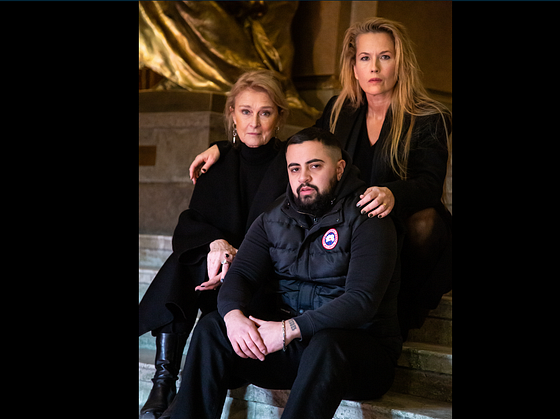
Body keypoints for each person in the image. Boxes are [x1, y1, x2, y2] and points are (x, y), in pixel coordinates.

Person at [188, 17, 452, 339]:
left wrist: (391, 193)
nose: (374, 68)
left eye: (385, 57)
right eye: (365, 58)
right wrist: (227, 148)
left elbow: (429, 184)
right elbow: (300, 150)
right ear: (354, 67)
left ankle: (400, 314)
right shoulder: (340, 110)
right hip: (347, 219)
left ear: (400, 63)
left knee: (425, 224)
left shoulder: (428, 116)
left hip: (393, 218)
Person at [165, 127, 401, 419]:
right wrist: (233, 317)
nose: (303, 178)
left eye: (315, 166)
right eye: (294, 168)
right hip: (291, 349)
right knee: (213, 328)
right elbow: (240, 275)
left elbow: (361, 301)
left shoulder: (368, 216)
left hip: (357, 356)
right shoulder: (273, 216)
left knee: (327, 346)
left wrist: (288, 329)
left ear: (339, 169)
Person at [138, 69, 290, 419]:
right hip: (213, 276)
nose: (254, 122)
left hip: (261, 281)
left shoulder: (290, 163)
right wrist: (217, 244)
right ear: (232, 115)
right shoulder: (219, 164)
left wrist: (238, 260)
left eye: (265, 112)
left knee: (185, 261)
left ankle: (166, 381)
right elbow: (191, 222)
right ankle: (165, 379)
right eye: (245, 111)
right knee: (185, 257)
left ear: (279, 117)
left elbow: (283, 235)